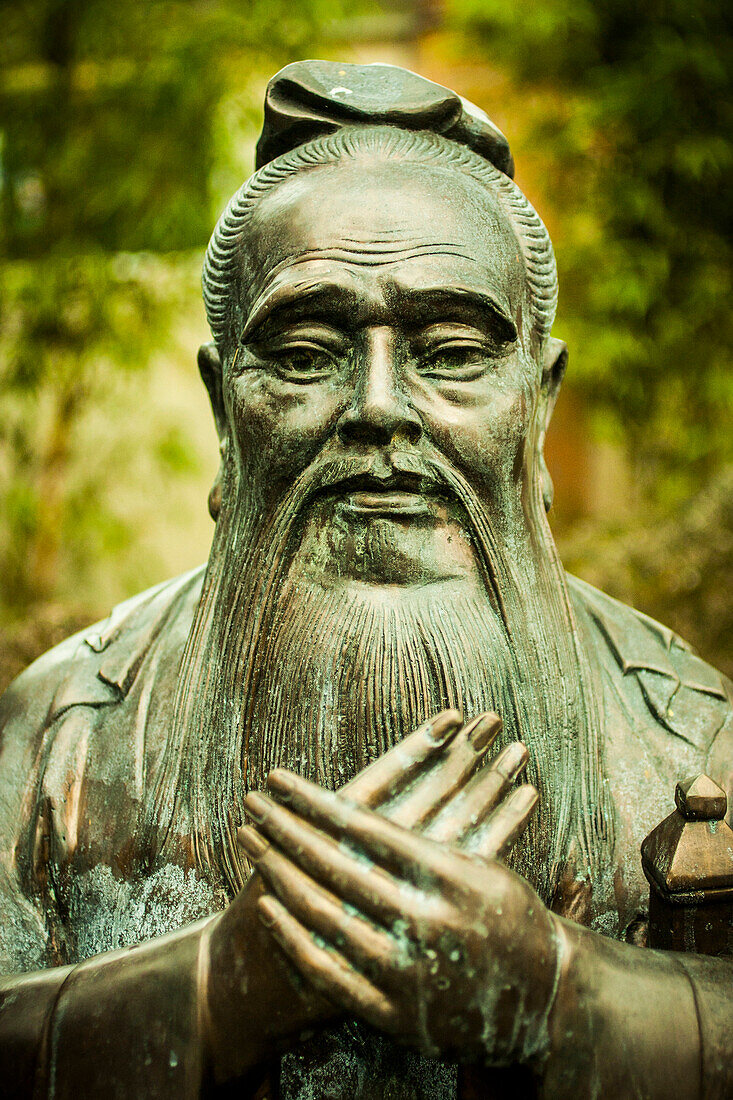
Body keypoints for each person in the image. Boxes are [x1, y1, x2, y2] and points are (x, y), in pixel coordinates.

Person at [0, 61, 730, 1099]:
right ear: (222, 409)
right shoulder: (57, 742)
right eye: (302, 352)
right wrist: (216, 989)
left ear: (541, 401)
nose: (379, 406)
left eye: (451, 349)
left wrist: (563, 996)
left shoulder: (690, 736)